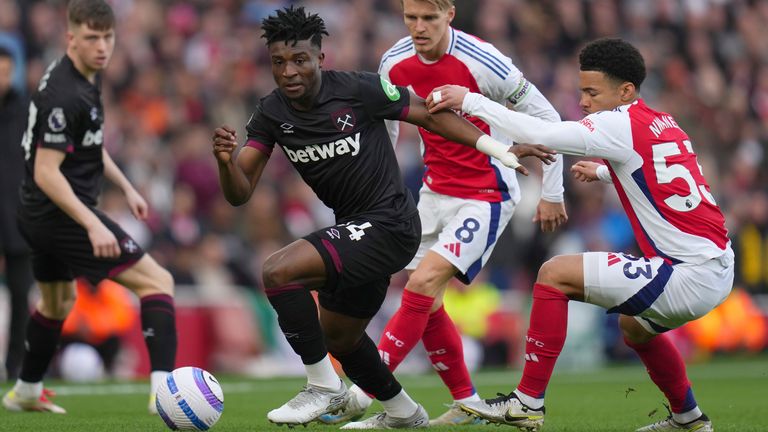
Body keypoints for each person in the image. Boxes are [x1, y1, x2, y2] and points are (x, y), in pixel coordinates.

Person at [211, 6, 554, 429]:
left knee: (278, 272)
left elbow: (430, 115)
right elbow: (240, 193)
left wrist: (498, 148)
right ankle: (404, 412)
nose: (289, 71)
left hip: (391, 223)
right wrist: (226, 163)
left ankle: (322, 386)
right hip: (352, 232)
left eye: (299, 60)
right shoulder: (270, 113)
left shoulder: (360, 90)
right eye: (279, 62)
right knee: (341, 337)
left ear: (320, 58)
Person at [430, 38, 733, 432]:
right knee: (634, 327)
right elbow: (671, 181)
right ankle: (689, 418)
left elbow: (542, 131)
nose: (585, 102)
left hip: (688, 274)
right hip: (717, 265)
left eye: (592, 92)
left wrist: (469, 100)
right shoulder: (662, 121)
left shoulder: (616, 123)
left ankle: (526, 403)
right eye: (581, 92)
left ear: (625, 91)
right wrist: (607, 172)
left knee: (554, 274)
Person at [321, 0, 568, 425]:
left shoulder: (485, 61)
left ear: (450, 14)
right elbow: (388, 129)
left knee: (423, 282)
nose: (418, 27)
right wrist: (379, 194)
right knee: (424, 299)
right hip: (433, 194)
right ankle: (467, 401)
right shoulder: (394, 61)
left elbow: (547, 116)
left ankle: (363, 392)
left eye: (429, 18)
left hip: (488, 193)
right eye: (410, 18)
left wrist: (552, 192)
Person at [2, 0, 177, 415]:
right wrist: (93, 225)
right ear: (70, 38)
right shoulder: (65, 94)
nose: (102, 46)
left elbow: (91, 148)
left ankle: (26, 389)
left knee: (57, 302)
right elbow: (47, 172)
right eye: (91, 38)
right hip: (59, 213)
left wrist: (125, 186)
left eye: (108, 37)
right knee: (158, 281)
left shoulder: (83, 77)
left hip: (37, 215)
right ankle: (164, 395)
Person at [0, 45, 33, 382]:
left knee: (22, 297)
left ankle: (16, 368)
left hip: (19, 220)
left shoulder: (25, 111)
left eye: (7, 72)